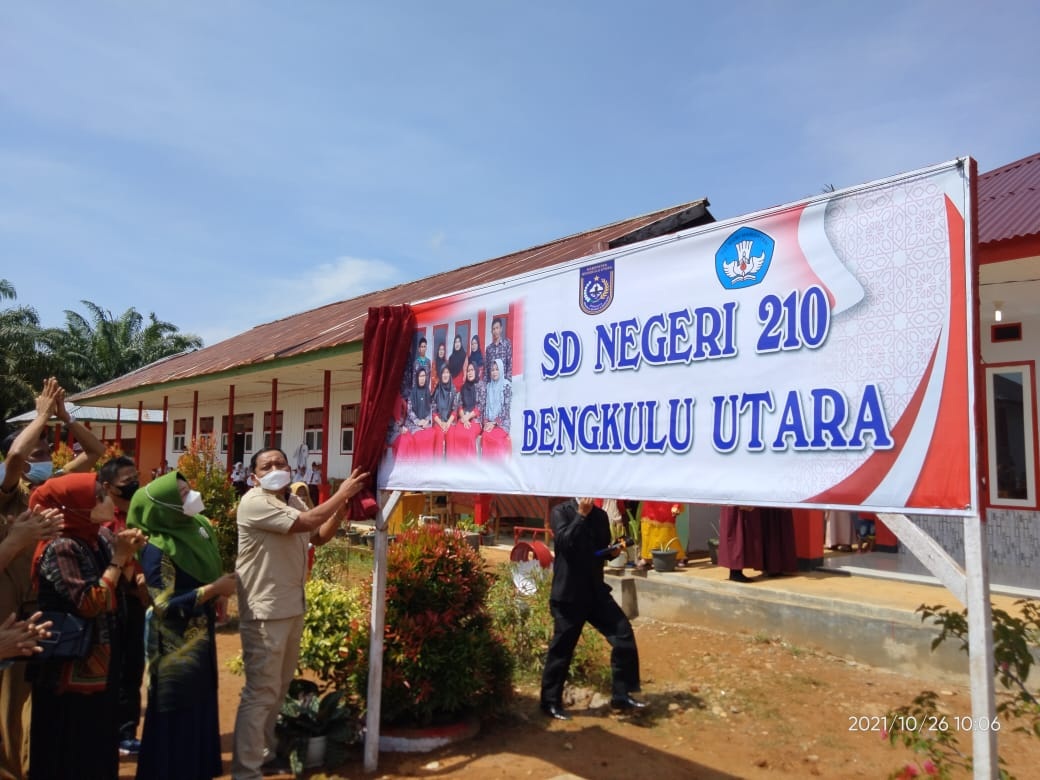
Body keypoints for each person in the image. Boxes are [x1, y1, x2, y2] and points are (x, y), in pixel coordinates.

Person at [231, 449, 367, 779]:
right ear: (254, 476)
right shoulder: (255, 501)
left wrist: (340, 512)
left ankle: (264, 753)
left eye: (281, 463)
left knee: (277, 688)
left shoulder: (292, 501)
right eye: (267, 466)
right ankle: (246, 771)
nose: (276, 468)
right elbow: (306, 523)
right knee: (260, 691)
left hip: (291, 606)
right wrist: (341, 493)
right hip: (265, 610)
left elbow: (316, 536)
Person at [0, 377, 104, 780]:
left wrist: (66, 418)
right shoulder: (11, 492)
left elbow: (95, 452)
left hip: (41, 608)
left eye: (46, 452)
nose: (42, 458)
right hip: (9, 611)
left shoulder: (52, 488)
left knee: (36, 701)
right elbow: (12, 460)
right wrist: (41, 416)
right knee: (9, 708)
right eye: (37, 452)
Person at [28, 471, 147, 780]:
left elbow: (127, 582)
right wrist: (120, 558)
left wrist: (128, 554)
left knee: (98, 741)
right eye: (97, 496)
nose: (107, 499)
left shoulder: (101, 537)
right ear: (74, 506)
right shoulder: (61, 547)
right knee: (70, 744)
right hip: (70, 667)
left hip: (105, 655)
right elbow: (91, 603)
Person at [127, 471, 237, 780]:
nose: (193, 496)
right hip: (174, 641)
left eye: (189, 489)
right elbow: (163, 605)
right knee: (177, 704)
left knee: (200, 698)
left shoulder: (196, 528)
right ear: (166, 508)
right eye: (183, 494)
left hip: (200, 631)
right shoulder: (157, 548)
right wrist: (213, 590)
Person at [540, 498, 644, 720]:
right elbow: (566, 544)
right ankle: (549, 702)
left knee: (623, 634)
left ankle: (621, 695)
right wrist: (581, 515)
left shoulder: (601, 516)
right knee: (562, 649)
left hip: (595, 592)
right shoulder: (561, 512)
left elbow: (598, 552)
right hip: (568, 594)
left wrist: (612, 552)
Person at [99, 456, 150, 757]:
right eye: (126, 480)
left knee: (133, 666)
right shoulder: (104, 517)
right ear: (107, 486)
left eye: (135, 477)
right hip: (110, 601)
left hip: (135, 602)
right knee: (112, 668)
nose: (133, 484)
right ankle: (108, 731)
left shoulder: (141, 514)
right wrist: (137, 574)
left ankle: (126, 733)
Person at [718, 505, 798, 582]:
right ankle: (735, 571)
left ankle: (772, 566)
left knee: (767, 523)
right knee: (740, 527)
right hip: (739, 496)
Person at [445, 362, 482, 459]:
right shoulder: (463, 387)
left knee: (468, 434)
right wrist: (464, 418)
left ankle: (469, 466)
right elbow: (459, 405)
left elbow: (480, 407)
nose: (470, 373)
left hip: (475, 419)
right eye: (468, 370)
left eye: (472, 370)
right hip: (463, 418)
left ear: (476, 371)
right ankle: (457, 465)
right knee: (456, 433)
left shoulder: (481, 386)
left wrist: (468, 417)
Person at [397, 367, 435, 460]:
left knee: (431, 434)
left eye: (424, 376)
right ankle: (419, 464)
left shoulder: (427, 391)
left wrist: (426, 420)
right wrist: (418, 422)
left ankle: (428, 463)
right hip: (413, 423)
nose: (422, 379)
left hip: (425, 423)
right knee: (420, 437)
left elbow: (431, 408)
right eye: (420, 376)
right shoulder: (412, 393)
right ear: (417, 378)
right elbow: (410, 411)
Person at [478, 358, 512, 458]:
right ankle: (487, 467)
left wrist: (494, 423)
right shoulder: (488, 386)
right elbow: (485, 406)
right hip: (489, 423)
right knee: (485, 436)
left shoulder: (506, 386)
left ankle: (498, 467)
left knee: (494, 438)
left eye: (497, 369)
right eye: (492, 370)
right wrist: (486, 422)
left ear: (501, 370)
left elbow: (506, 409)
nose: (494, 372)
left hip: (502, 423)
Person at [637, 501, 686, 569]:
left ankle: (679, 557)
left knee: (667, 535)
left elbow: (677, 492)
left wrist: (676, 506)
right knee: (647, 533)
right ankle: (647, 558)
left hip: (665, 507)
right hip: (650, 505)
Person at [430, 365, 458, 458]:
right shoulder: (437, 390)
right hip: (439, 422)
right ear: (441, 375)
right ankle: (438, 467)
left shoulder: (453, 389)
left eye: (447, 372)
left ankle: (450, 467)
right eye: (443, 373)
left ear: (450, 374)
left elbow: (455, 409)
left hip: (450, 422)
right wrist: (441, 423)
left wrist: (448, 423)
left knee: (451, 435)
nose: (445, 375)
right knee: (439, 435)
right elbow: (433, 410)